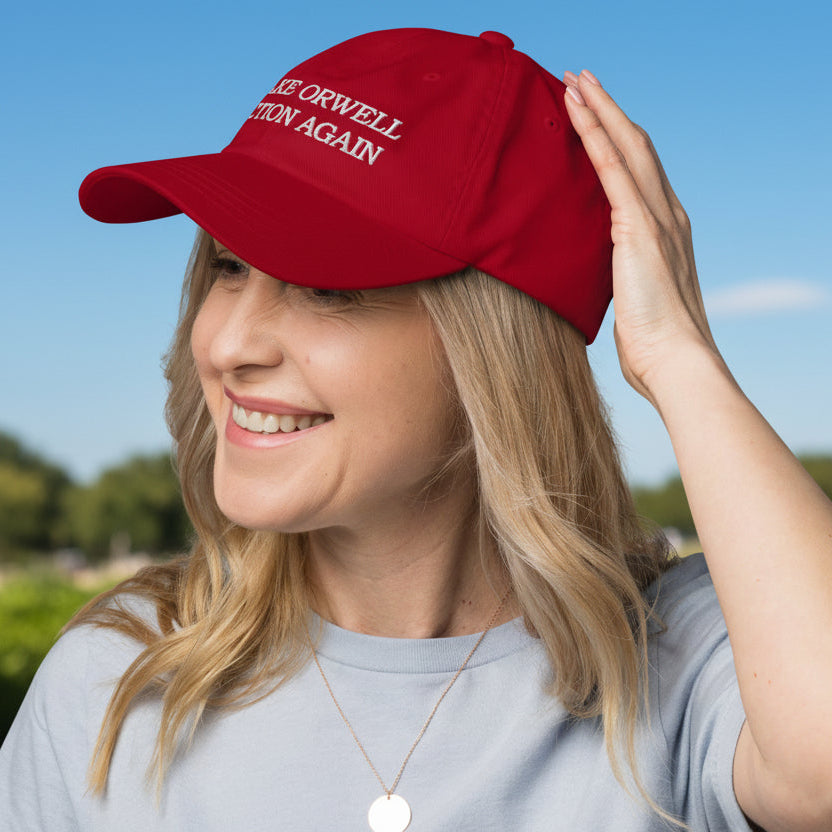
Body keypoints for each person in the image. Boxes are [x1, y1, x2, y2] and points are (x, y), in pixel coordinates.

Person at [1, 26, 831, 832]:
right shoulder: (117, 681)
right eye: (227, 266)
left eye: (326, 286)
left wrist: (676, 352)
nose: (225, 345)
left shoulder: (684, 661)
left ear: (494, 353)